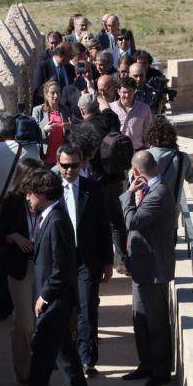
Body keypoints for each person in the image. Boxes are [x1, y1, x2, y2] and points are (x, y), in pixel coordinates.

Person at [23, 167, 89, 386]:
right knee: (65, 359)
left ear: (42, 193)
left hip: (54, 304)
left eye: (30, 193)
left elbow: (61, 268)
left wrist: (44, 296)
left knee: (41, 358)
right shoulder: (50, 218)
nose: (27, 198)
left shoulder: (57, 221)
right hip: (54, 303)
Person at [119, 151, 176, 386]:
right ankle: (147, 364)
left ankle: (161, 370)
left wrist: (128, 195)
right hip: (142, 265)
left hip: (154, 268)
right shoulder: (154, 188)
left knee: (156, 322)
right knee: (140, 319)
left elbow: (132, 221)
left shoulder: (158, 193)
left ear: (136, 172)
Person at [56, 143, 112, 377]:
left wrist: (108, 261)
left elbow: (103, 226)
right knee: (62, 311)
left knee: (87, 309)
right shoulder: (51, 190)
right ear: (58, 165)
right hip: (60, 261)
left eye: (74, 166)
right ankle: (63, 358)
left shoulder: (93, 189)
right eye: (65, 166)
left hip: (87, 260)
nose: (70, 171)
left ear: (82, 164)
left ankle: (87, 359)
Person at [0, 113, 43, 321]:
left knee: (1, 258)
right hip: (28, 208)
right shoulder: (32, 149)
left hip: (4, 211)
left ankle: (4, 306)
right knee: (30, 256)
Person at [0, 158, 48, 385]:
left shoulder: (45, 200)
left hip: (42, 267)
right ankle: (24, 370)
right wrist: (14, 237)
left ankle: (38, 373)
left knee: (41, 323)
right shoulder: (11, 203)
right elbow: (0, 237)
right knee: (25, 324)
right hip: (20, 269)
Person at [78, 94, 128, 271]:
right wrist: (98, 96)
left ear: (82, 110)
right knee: (117, 221)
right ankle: (121, 261)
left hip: (95, 182)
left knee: (97, 223)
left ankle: (100, 262)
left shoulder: (82, 129)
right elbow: (108, 109)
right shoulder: (110, 120)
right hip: (115, 178)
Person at [146, 117, 193, 218]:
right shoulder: (182, 157)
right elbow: (191, 177)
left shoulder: (144, 156)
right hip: (171, 215)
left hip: (147, 213)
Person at [32, 80, 72, 166]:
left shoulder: (65, 110)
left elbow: (69, 136)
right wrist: (44, 131)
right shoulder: (37, 111)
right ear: (46, 95)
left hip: (62, 158)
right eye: (52, 93)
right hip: (45, 159)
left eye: (58, 92)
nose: (56, 95)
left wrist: (70, 128)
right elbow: (33, 134)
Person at [110, 77, 152, 152]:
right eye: (124, 92)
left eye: (130, 92)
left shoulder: (144, 109)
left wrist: (147, 150)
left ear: (135, 91)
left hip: (137, 151)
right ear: (118, 92)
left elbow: (148, 131)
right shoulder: (111, 109)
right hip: (116, 151)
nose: (127, 95)